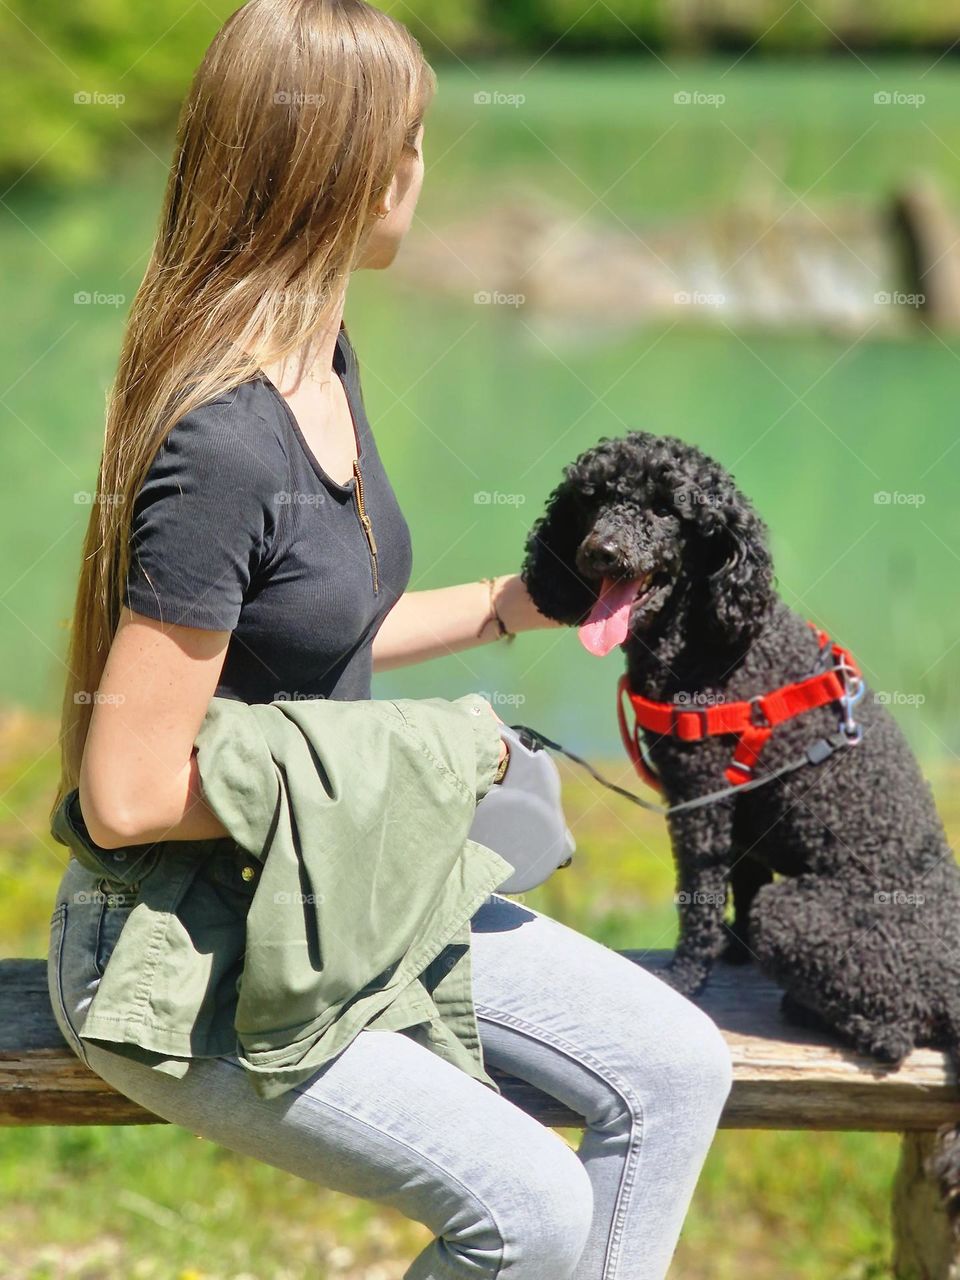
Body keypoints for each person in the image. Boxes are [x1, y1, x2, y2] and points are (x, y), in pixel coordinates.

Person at [47, 2, 733, 1276]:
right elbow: (130, 792)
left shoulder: (322, 357)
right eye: (414, 142)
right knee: (529, 1206)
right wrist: (414, 762)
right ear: (357, 170)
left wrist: (518, 604)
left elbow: (314, 633)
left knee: (678, 1064)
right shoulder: (222, 441)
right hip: (176, 945)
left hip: (334, 884)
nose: (426, 170)